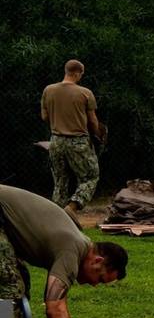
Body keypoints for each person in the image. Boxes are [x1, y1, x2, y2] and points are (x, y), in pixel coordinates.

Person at [0, 185, 127, 318]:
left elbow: (61, 306)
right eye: (100, 278)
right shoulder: (72, 250)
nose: (94, 284)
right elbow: (54, 310)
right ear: (97, 261)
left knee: (20, 283)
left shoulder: (80, 245)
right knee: (10, 284)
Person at [40, 59, 105, 225]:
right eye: (81, 74)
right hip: (78, 141)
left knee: (60, 181)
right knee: (90, 177)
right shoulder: (85, 93)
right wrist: (98, 135)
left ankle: (56, 221)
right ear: (77, 73)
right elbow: (93, 121)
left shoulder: (48, 90)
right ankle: (73, 206)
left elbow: (44, 117)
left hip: (56, 140)